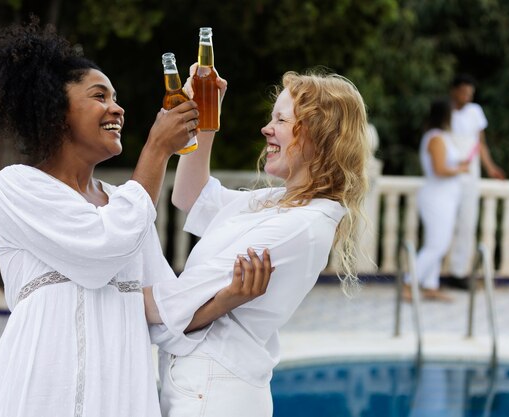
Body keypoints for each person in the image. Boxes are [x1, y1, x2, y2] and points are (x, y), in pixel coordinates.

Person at [0, 21, 271, 417]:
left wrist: (230, 297)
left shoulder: (127, 204)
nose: (118, 108)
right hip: (41, 394)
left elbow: (164, 308)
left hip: (120, 398)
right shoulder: (18, 187)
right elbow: (100, 252)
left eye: (116, 97)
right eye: (99, 95)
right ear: (56, 111)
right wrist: (157, 149)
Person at [143, 66, 372, 417]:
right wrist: (205, 119)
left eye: (281, 119)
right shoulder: (275, 202)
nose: (267, 128)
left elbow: (172, 306)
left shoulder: (300, 224)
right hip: (204, 386)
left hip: (216, 393)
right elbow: (191, 196)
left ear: (318, 134)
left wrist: (85, 285)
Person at [402, 99, 469, 303]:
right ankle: (408, 283)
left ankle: (431, 285)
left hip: (447, 198)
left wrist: (459, 164)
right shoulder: (435, 138)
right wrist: (461, 169)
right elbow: (440, 170)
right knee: (436, 245)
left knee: (440, 242)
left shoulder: (443, 137)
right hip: (436, 198)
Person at [443, 74, 505, 290]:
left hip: (470, 173)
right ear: (454, 91)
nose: (467, 96)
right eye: (464, 91)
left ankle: (459, 272)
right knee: (445, 222)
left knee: (468, 222)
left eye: (470, 92)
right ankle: (435, 272)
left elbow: (481, 145)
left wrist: (491, 168)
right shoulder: (445, 111)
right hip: (448, 172)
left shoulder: (475, 112)